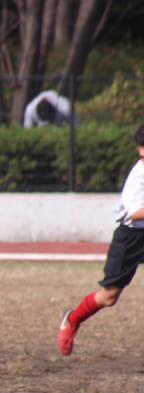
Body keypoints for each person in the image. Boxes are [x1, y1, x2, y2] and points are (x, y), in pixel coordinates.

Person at [56, 124, 144, 356]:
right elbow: (135, 212)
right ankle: (72, 320)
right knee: (109, 297)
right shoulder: (138, 178)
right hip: (132, 237)